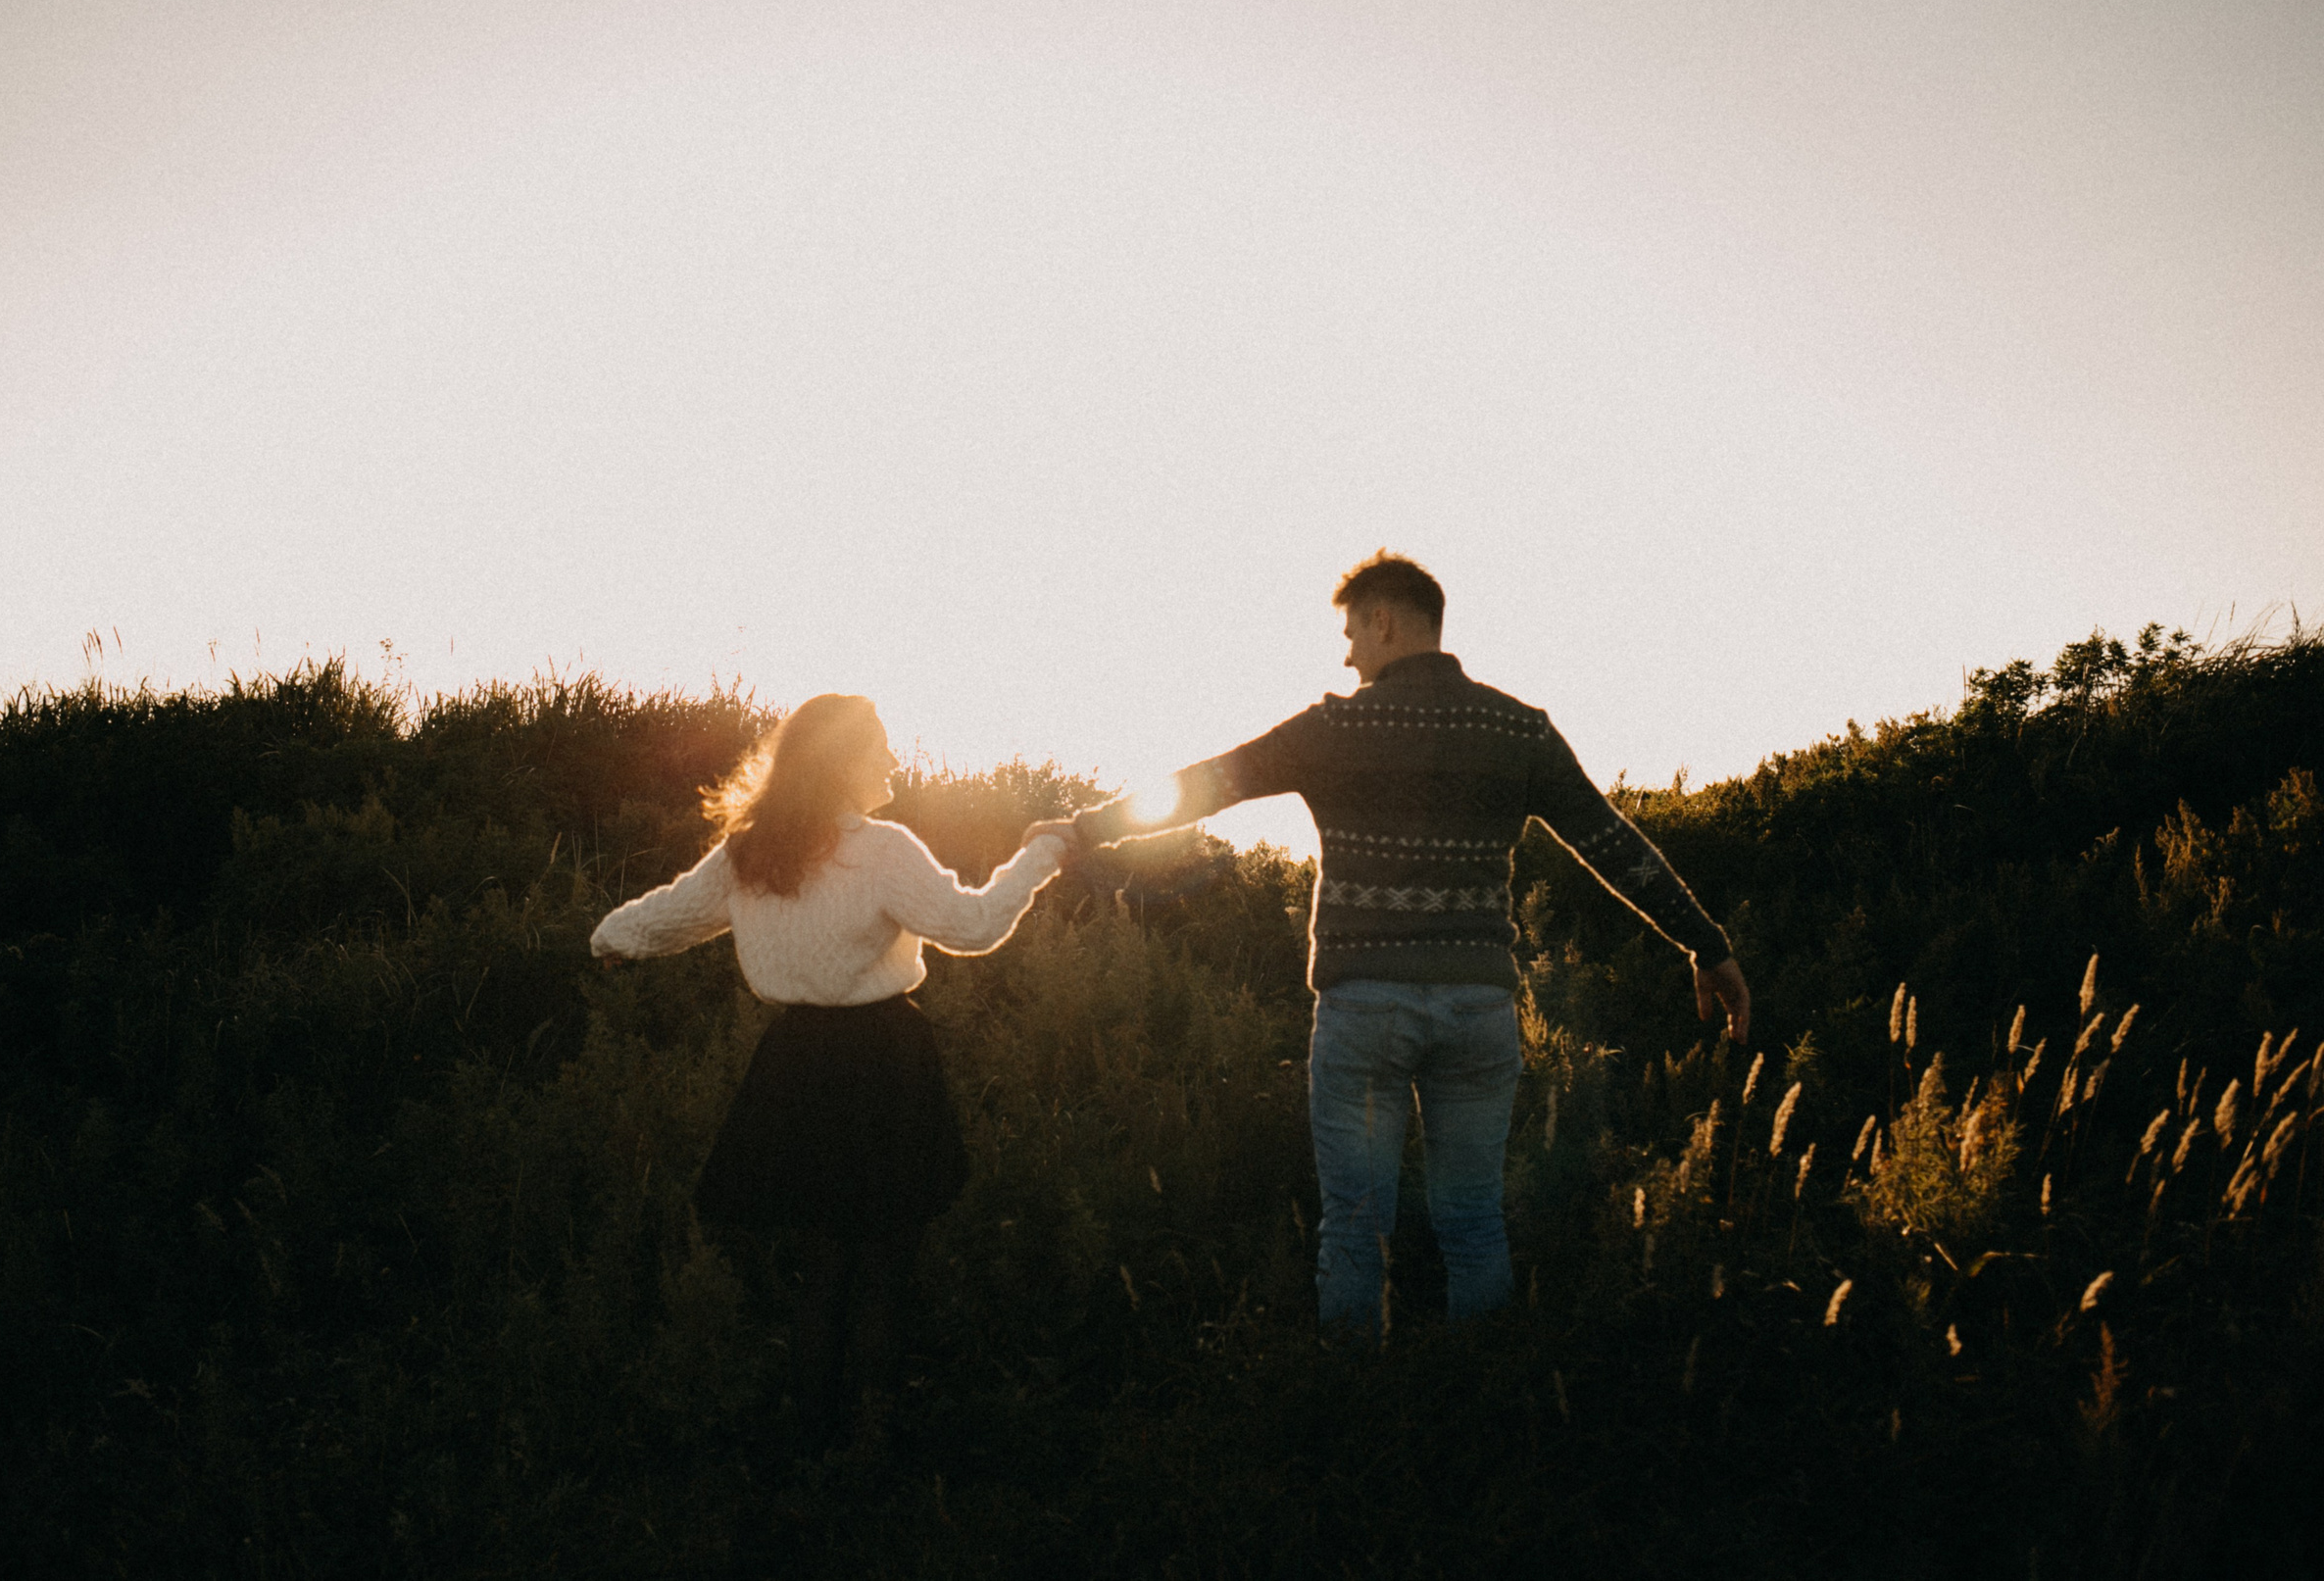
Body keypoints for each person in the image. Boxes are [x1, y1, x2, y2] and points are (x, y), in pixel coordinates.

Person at [1070, 552, 1750, 1336]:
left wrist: (1084, 830)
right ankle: (1477, 1409)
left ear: (1385, 620)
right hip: (1479, 1010)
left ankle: (1356, 1420)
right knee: (1473, 1223)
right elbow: (1612, 844)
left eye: (1352, 630)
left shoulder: (1334, 727)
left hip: (1366, 1008)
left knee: (1354, 1230)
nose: (1348, 653)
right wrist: (1706, 945)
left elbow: (1201, 786)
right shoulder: (1517, 729)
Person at [590, 693, 1074, 1443]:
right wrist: (1043, 854)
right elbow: (971, 927)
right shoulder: (880, 848)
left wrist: (608, 937)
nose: (891, 759)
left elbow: (668, 917)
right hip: (884, 1064)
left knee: (823, 1266)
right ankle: (870, 1451)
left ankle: (812, 1442)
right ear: (843, 760)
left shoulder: (753, 849)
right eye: (878, 745)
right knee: (881, 1265)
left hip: (796, 1069)